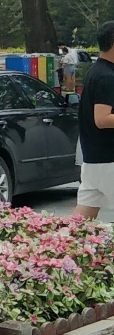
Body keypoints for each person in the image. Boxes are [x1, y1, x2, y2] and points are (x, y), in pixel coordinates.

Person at [73, 20, 114, 222]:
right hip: (110, 160)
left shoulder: (95, 72)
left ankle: (59, 243)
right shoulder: (107, 77)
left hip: (93, 160)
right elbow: (102, 119)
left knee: (80, 223)